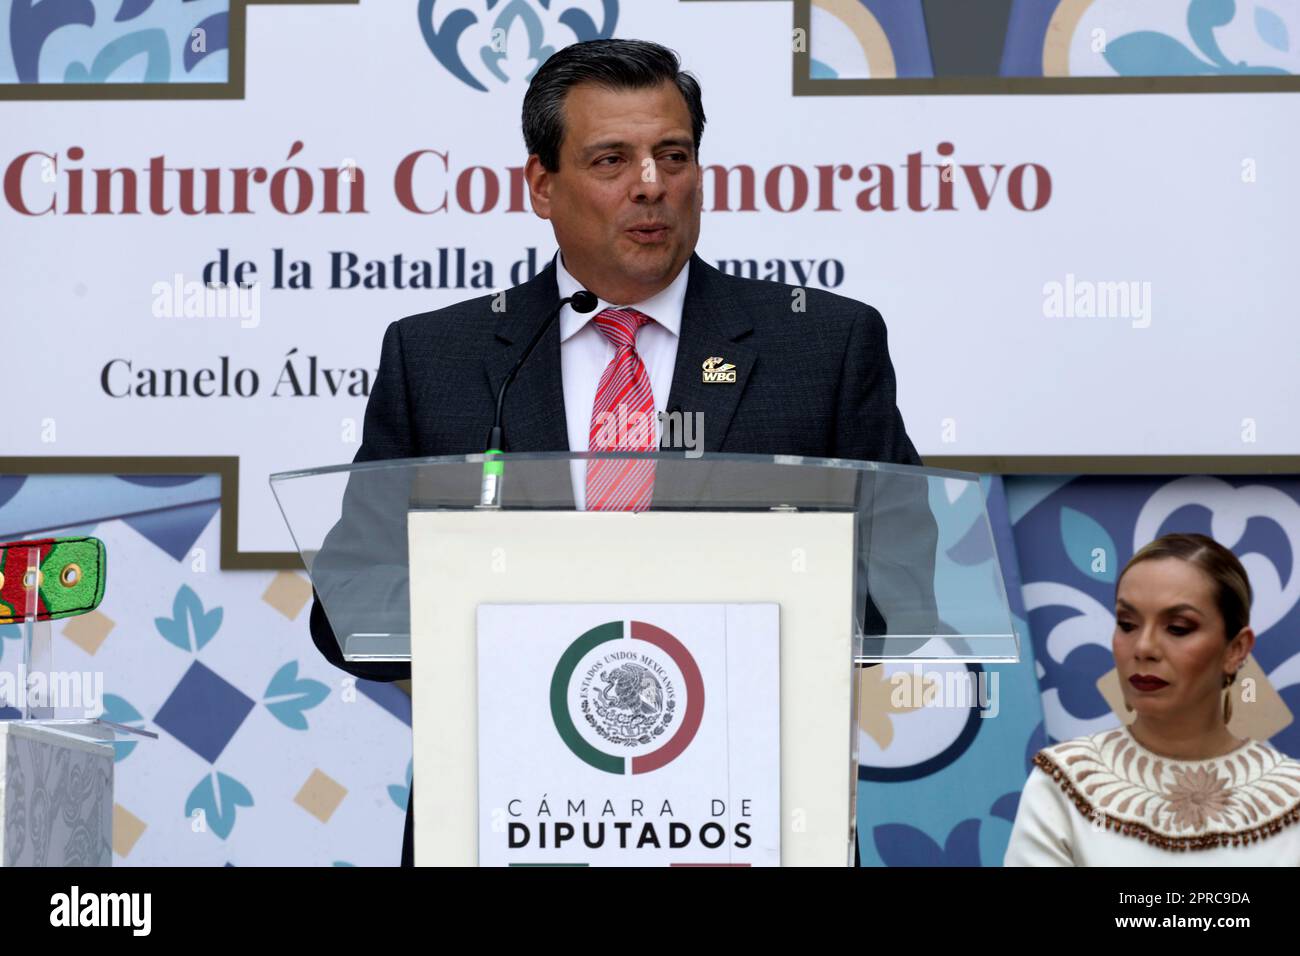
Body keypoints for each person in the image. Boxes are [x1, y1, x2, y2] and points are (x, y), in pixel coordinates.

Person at [308, 37, 937, 866]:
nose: (651, 184)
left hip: (746, 810)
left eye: (672, 156)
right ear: (542, 184)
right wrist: (504, 607)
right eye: (612, 159)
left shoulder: (820, 348)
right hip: (506, 812)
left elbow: (906, 580)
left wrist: (760, 607)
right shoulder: (443, 360)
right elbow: (348, 606)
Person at [1005, 532, 1300, 865]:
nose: (1143, 647)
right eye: (1127, 624)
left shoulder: (1292, 799)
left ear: (1236, 650)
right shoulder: (1063, 784)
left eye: (1177, 627)